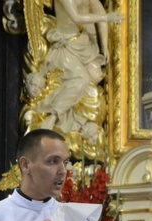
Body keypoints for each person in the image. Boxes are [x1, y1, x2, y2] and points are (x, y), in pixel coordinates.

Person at [24, 0, 123, 142]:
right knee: (81, 80)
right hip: (66, 47)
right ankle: (53, 115)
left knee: (95, 77)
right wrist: (107, 18)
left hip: (83, 44)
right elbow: (77, 17)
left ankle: (77, 122)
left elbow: (99, 11)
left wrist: (104, 45)